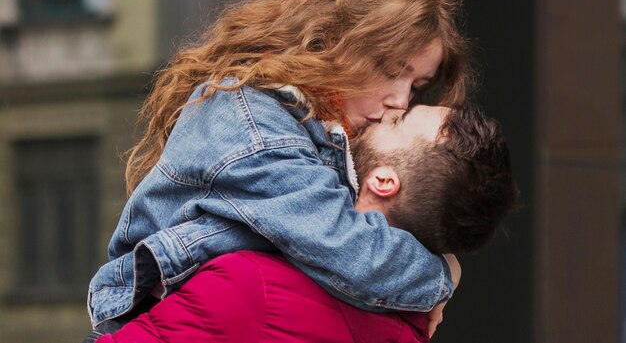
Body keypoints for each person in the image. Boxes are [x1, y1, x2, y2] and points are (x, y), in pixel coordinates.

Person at [84, 0, 474, 341]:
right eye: (392, 72)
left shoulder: (328, 131)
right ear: (339, 43)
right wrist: (443, 274)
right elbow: (348, 250)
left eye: (417, 86)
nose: (401, 101)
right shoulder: (253, 120)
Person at [94, 102, 518, 343]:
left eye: (395, 121)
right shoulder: (411, 331)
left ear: (384, 181)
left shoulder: (252, 285)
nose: (383, 110)